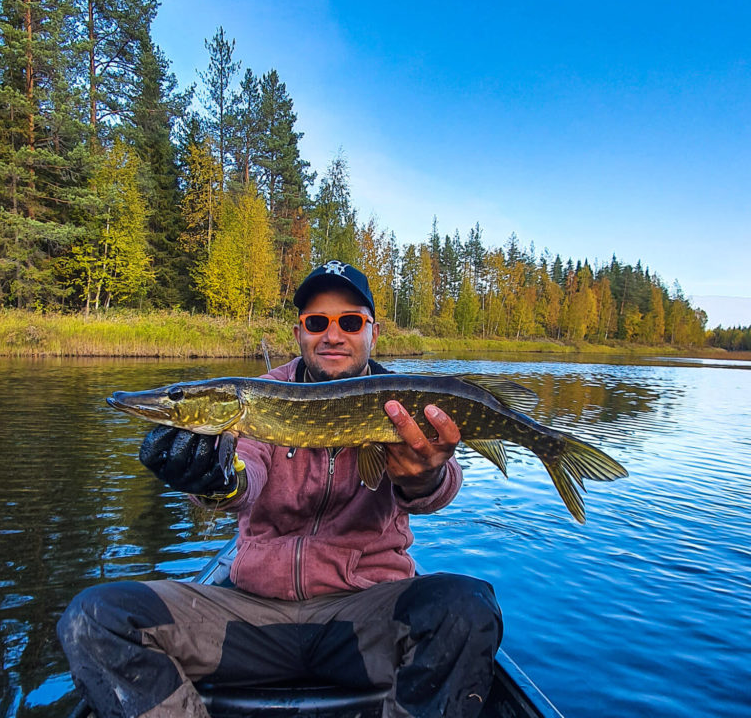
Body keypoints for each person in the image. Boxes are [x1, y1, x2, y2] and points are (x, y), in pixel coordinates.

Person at [58, 260, 502, 718]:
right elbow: (243, 474)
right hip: (249, 618)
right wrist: (215, 480)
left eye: (350, 322)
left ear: (373, 333)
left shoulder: (403, 398)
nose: (333, 335)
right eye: (317, 322)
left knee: (465, 609)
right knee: (94, 619)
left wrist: (423, 476)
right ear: (299, 333)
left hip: (366, 617)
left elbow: (443, 484)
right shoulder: (261, 397)